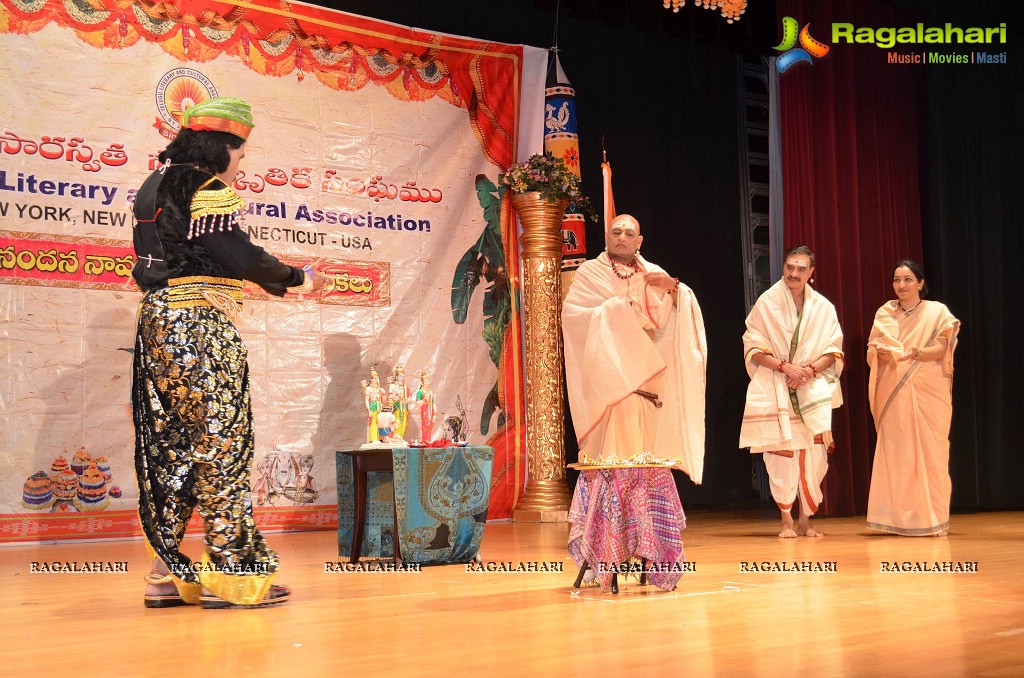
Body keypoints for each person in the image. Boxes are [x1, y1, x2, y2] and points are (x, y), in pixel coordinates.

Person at [131, 97, 326, 609]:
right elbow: (238, 254)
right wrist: (295, 277)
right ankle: (235, 576)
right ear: (221, 148)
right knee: (222, 443)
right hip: (198, 324)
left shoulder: (153, 185)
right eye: (240, 154)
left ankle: (165, 574)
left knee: (175, 447)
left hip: (158, 323)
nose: (241, 165)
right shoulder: (204, 186)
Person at [561, 213, 707, 481]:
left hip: (647, 378)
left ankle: (641, 516)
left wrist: (675, 289)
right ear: (606, 237)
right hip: (610, 379)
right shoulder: (589, 272)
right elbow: (571, 316)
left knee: (647, 451)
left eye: (629, 234)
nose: (622, 238)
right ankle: (612, 514)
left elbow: (675, 318)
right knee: (614, 453)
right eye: (616, 232)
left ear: (639, 241)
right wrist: (619, 309)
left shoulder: (654, 274)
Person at [740, 245, 844, 538]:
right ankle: (786, 520)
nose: (793, 274)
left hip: (812, 385)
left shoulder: (823, 307)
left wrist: (808, 371)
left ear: (811, 273)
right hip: (777, 382)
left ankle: (806, 521)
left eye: (800, 269)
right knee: (781, 455)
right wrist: (786, 368)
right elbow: (753, 344)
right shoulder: (767, 302)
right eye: (789, 267)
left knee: (814, 455)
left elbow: (834, 349)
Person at [866, 260, 960, 536]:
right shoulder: (885, 312)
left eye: (908, 279)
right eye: (897, 279)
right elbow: (873, 349)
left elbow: (943, 348)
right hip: (894, 389)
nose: (901, 285)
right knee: (899, 455)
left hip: (928, 388)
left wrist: (918, 352)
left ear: (920, 283)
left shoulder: (937, 312)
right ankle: (898, 520)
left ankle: (934, 518)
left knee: (933, 455)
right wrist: (880, 354)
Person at [414, 370, 436, 443]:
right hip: (424, 411)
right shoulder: (420, 392)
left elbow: (433, 402)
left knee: (430, 425)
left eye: (428, 381)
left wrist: (435, 412)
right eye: (425, 381)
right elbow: (418, 403)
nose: (427, 383)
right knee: (425, 425)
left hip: (430, 410)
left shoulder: (430, 391)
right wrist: (423, 400)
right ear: (422, 382)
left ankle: (429, 439)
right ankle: (425, 440)